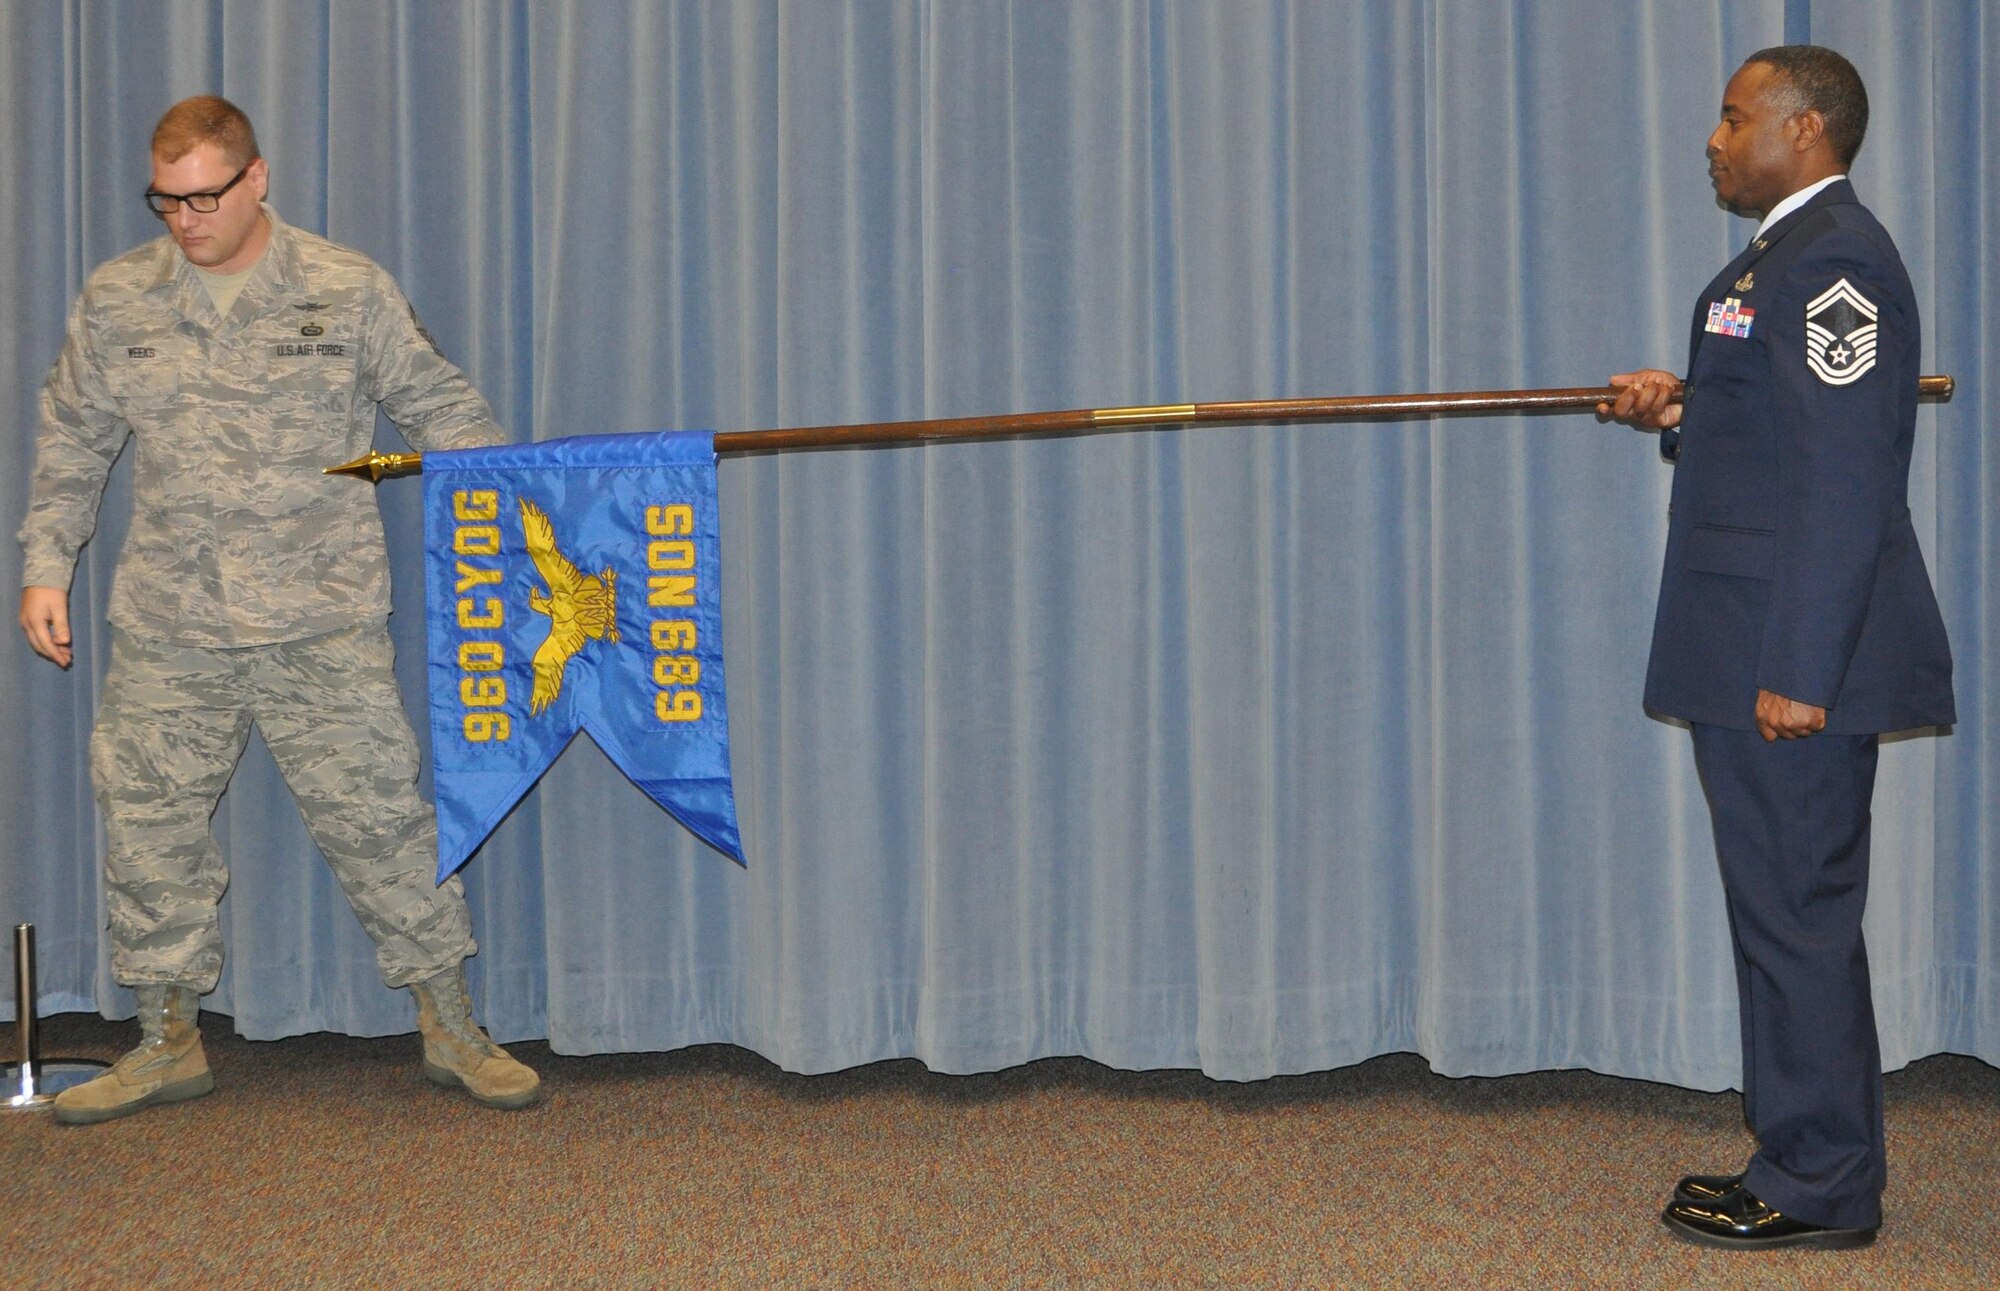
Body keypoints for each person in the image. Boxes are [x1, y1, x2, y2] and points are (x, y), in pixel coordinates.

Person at [17, 95, 540, 1121]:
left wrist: (522, 492)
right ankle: (167, 1037)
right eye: (166, 200)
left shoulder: (344, 288)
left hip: (321, 616)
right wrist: (46, 564)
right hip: (171, 622)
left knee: (382, 824)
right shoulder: (119, 296)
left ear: (256, 179)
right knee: (149, 832)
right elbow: (74, 440)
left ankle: (450, 1024)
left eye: (206, 195)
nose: (185, 219)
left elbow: (440, 406)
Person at [1601, 47, 1952, 1249]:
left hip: (1790, 660)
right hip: (1745, 641)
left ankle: (1821, 1185)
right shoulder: (1777, 258)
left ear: (1802, 132)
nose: (1712, 135)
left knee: (1795, 913)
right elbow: (1776, 431)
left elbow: (1847, 479)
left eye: (1732, 114)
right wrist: (1685, 401)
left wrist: (1799, 671)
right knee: (1777, 913)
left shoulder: (1837, 260)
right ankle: (1795, 1148)